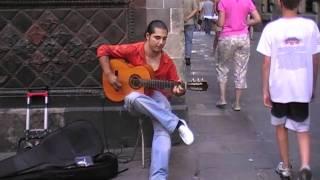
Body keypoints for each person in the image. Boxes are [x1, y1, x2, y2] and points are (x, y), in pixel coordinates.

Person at [97, 20, 194, 180]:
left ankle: (158, 177)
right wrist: (109, 74)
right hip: (133, 100)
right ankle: (176, 123)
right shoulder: (134, 50)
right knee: (134, 96)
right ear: (147, 36)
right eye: (157, 37)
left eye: (164, 39)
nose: (161, 42)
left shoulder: (167, 62)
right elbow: (103, 49)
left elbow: (175, 87)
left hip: (156, 99)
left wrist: (178, 91)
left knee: (162, 127)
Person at [256, 0, 320, 179]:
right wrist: (312, 85)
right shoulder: (310, 26)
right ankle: (305, 166)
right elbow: (316, 59)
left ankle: (285, 166)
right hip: (301, 86)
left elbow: (266, 63)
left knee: (280, 126)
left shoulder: (271, 28)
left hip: (279, 87)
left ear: (279, 2)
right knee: (302, 128)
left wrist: (265, 90)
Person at [215, 0, 261, 111]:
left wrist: (217, 21)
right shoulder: (248, 2)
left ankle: (222, 99)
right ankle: (237, 103)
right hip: (243, 38)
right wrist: (245, 22)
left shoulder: (223, 2)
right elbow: (258, 19)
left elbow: (221, 23)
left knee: (222, 67)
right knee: (241, 69)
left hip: (227, 38)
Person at [184, 0, 199, 66]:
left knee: (179, 40)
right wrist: (188, 17)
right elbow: (196, 9)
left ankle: (180, 55)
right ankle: (187, 57)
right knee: (188, 41)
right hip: (189, 22)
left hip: (179, 22)